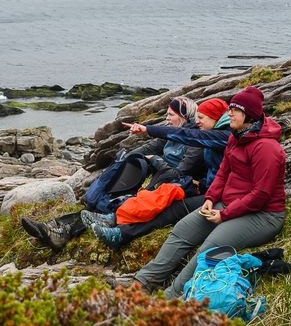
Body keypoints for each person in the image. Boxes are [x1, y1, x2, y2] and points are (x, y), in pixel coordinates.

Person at [133, 86, 286, 298]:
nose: (229, 113)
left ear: (249, 115)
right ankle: (143, 282)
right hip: (230, 205)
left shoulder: (267, 148)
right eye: (230, 108)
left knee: (212, 245)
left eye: (235, 110)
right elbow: (223, 172)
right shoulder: (236, 136)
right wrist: (211, 198)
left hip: (263, 214)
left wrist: (224, 214)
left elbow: (261, 194)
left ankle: (171, 297)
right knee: (183, 228)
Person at [20, 96, 201, 251]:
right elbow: (146, 148)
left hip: (174, 187)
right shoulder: (171, 135)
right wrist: (125, 161)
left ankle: (59, 230)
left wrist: (155, 160)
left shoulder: (194, 140)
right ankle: (56, 227)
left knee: (116, 209)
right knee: (131, 166)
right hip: (160, 180)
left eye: (171, 115)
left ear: (184, 117)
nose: (167, 119)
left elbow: (180, 173)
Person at [87, 97, 231, 250]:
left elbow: (188, 142)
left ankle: (121, 233)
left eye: (201, 118)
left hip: (219, 194)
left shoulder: (221, 137)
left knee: (172, 207)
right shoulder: (215, 134)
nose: (197, 121)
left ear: (214, 117)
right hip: (208, 187)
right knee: (161, 190)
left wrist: (150, 139)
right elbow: (217, 171)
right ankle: (113, 215)